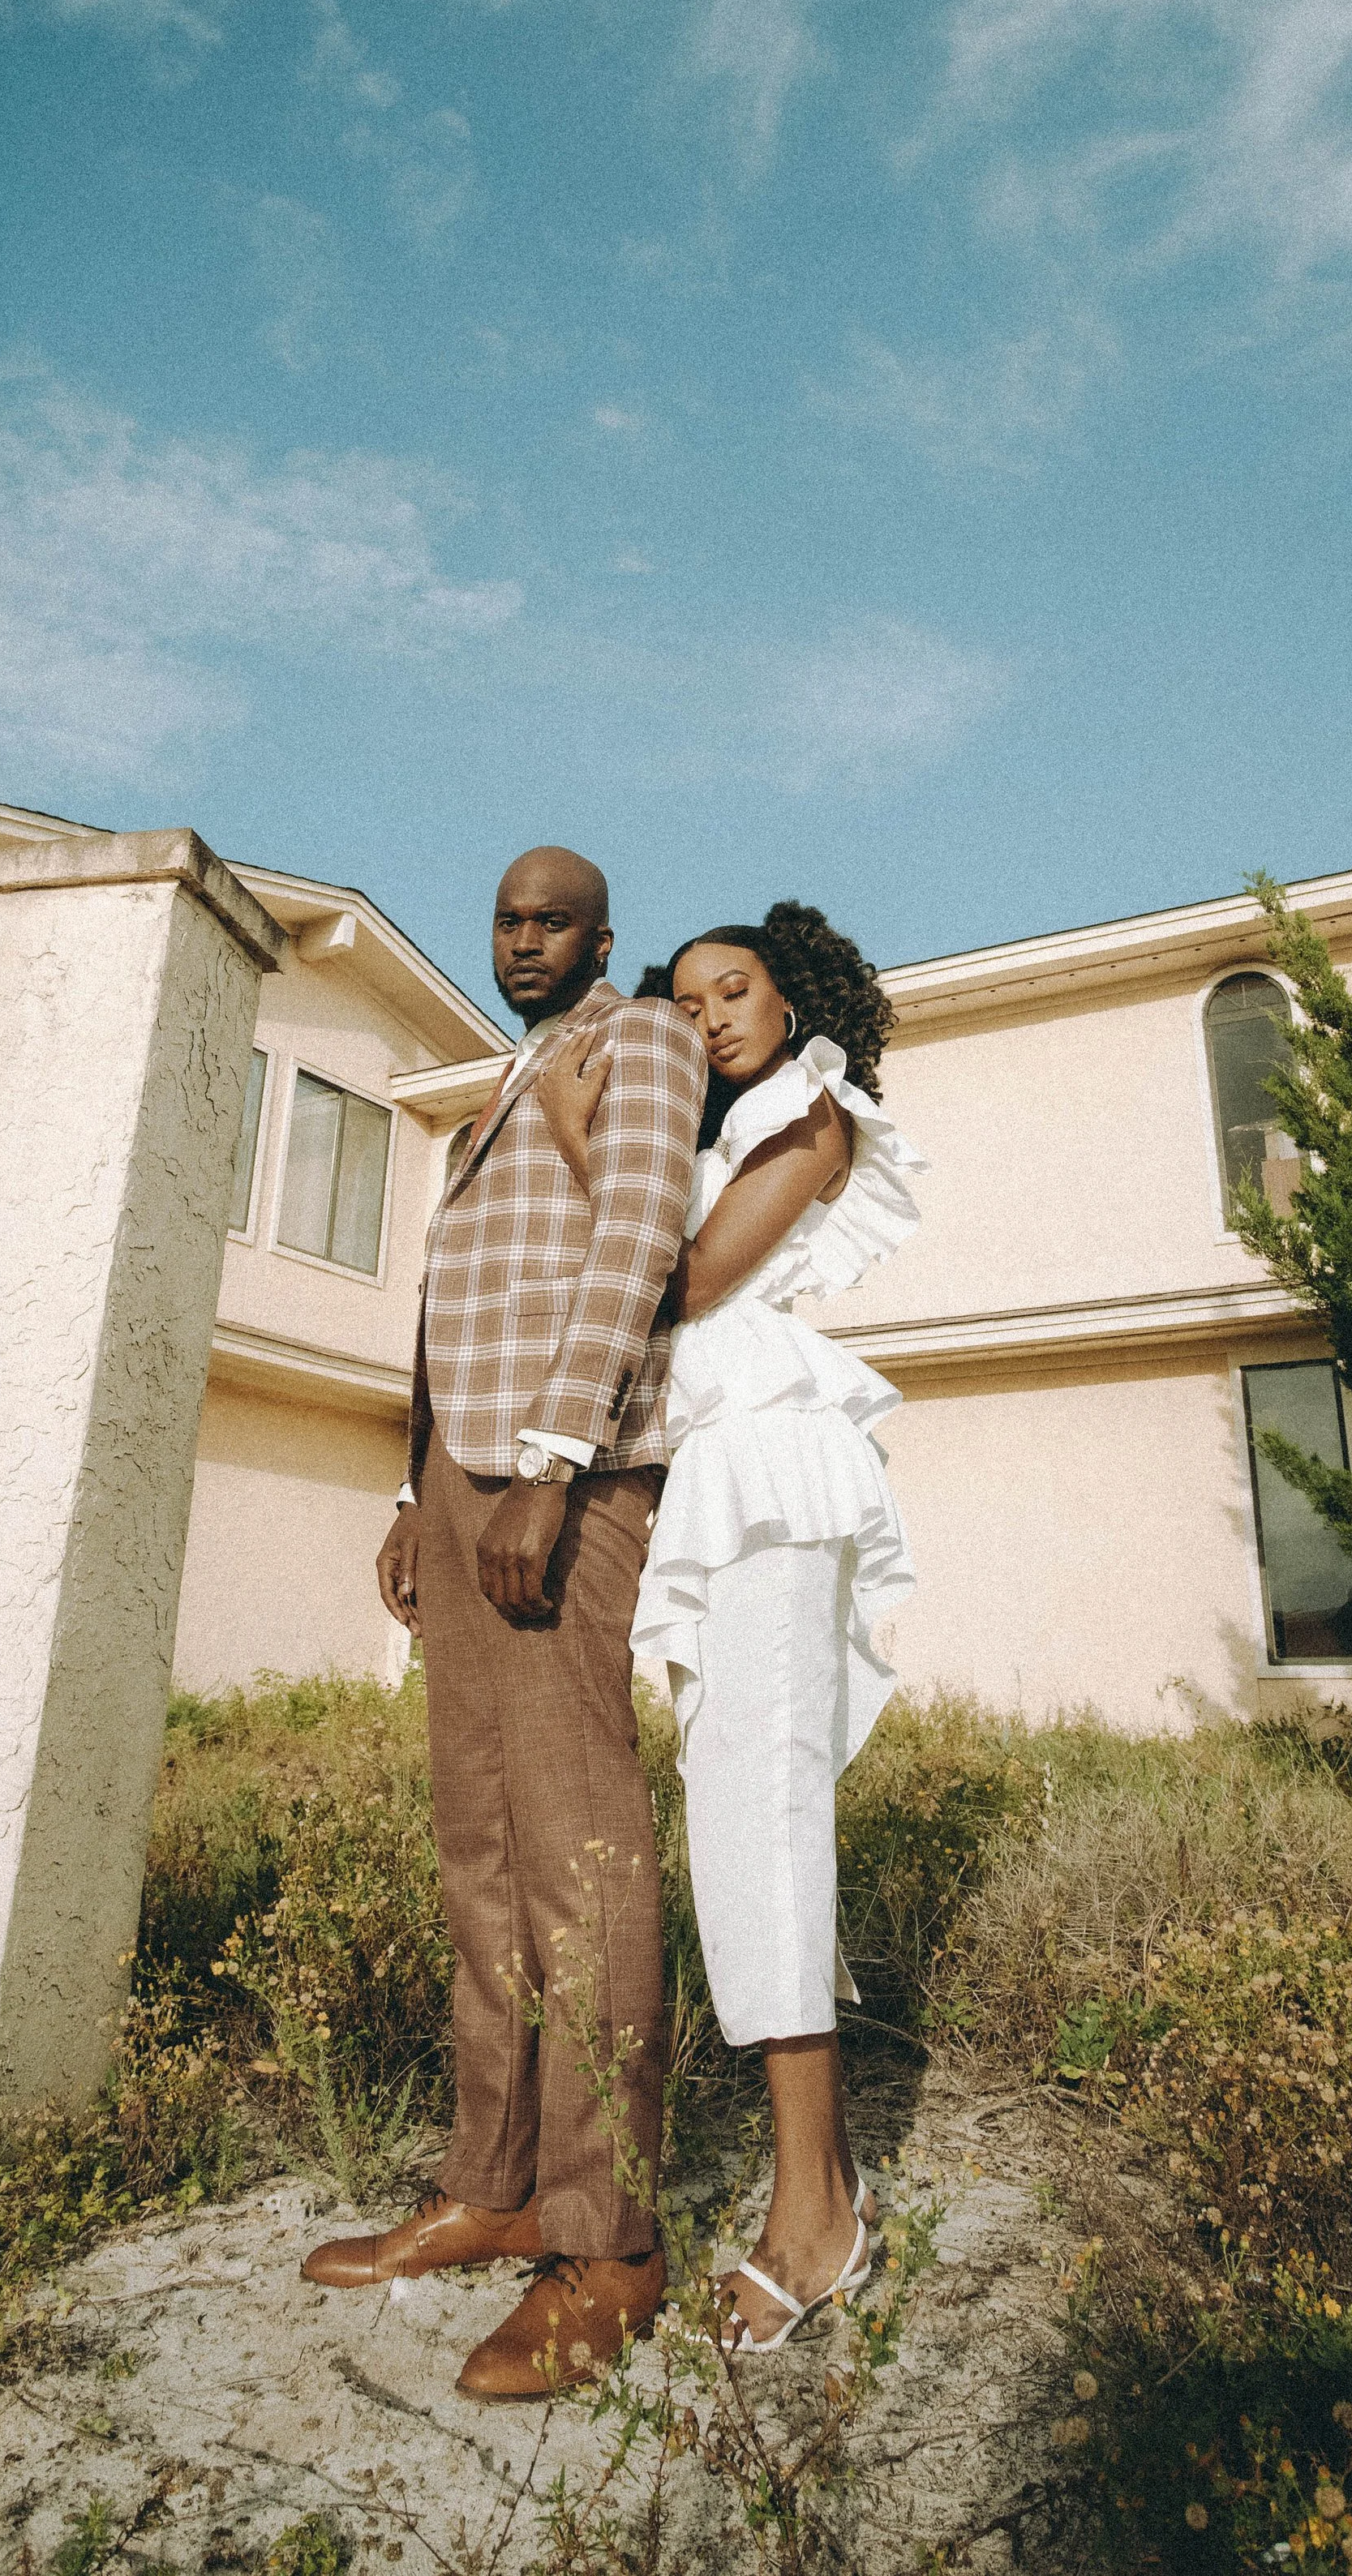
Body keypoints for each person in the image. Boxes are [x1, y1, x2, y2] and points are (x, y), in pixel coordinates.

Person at [298, 847, 706, 2402]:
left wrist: (549, 1466)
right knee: (480, 1845)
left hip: (565, 1476)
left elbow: (635, 1248)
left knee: (579, 1849)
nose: (521, 939)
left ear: (605, 937)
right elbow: (446, 1299)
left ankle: (610, 2241)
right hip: (460, 1483)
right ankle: (496, 2181)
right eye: (505, 918)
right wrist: (417, 1489)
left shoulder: (641, 1039)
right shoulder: (499, 1083)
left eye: (552, 921)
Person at [537, 902, 923, 2355]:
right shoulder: (720, 1138)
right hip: (720, 1482)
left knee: (760, 1823)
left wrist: (588, 1154)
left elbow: (684, 1285)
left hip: (770, 1470)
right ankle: (820, 2189)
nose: (707, 1016)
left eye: (734, 988)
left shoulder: (808, 1117)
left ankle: (816, 2215)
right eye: (684, 1001)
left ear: (792, 993)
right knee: (747, 1825)